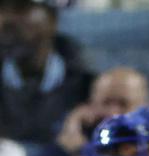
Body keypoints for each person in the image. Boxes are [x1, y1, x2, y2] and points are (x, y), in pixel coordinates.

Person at [11, 66, 149, 156]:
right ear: (91, 105)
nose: (112, 113)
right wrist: (63, 147)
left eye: (123, 104)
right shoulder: (76, 147)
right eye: (106, 103)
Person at [0, 0, 92, 142]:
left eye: (21, 8)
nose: (6, 20)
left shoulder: (89, 88)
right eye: (3, 10)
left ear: (52, 20)